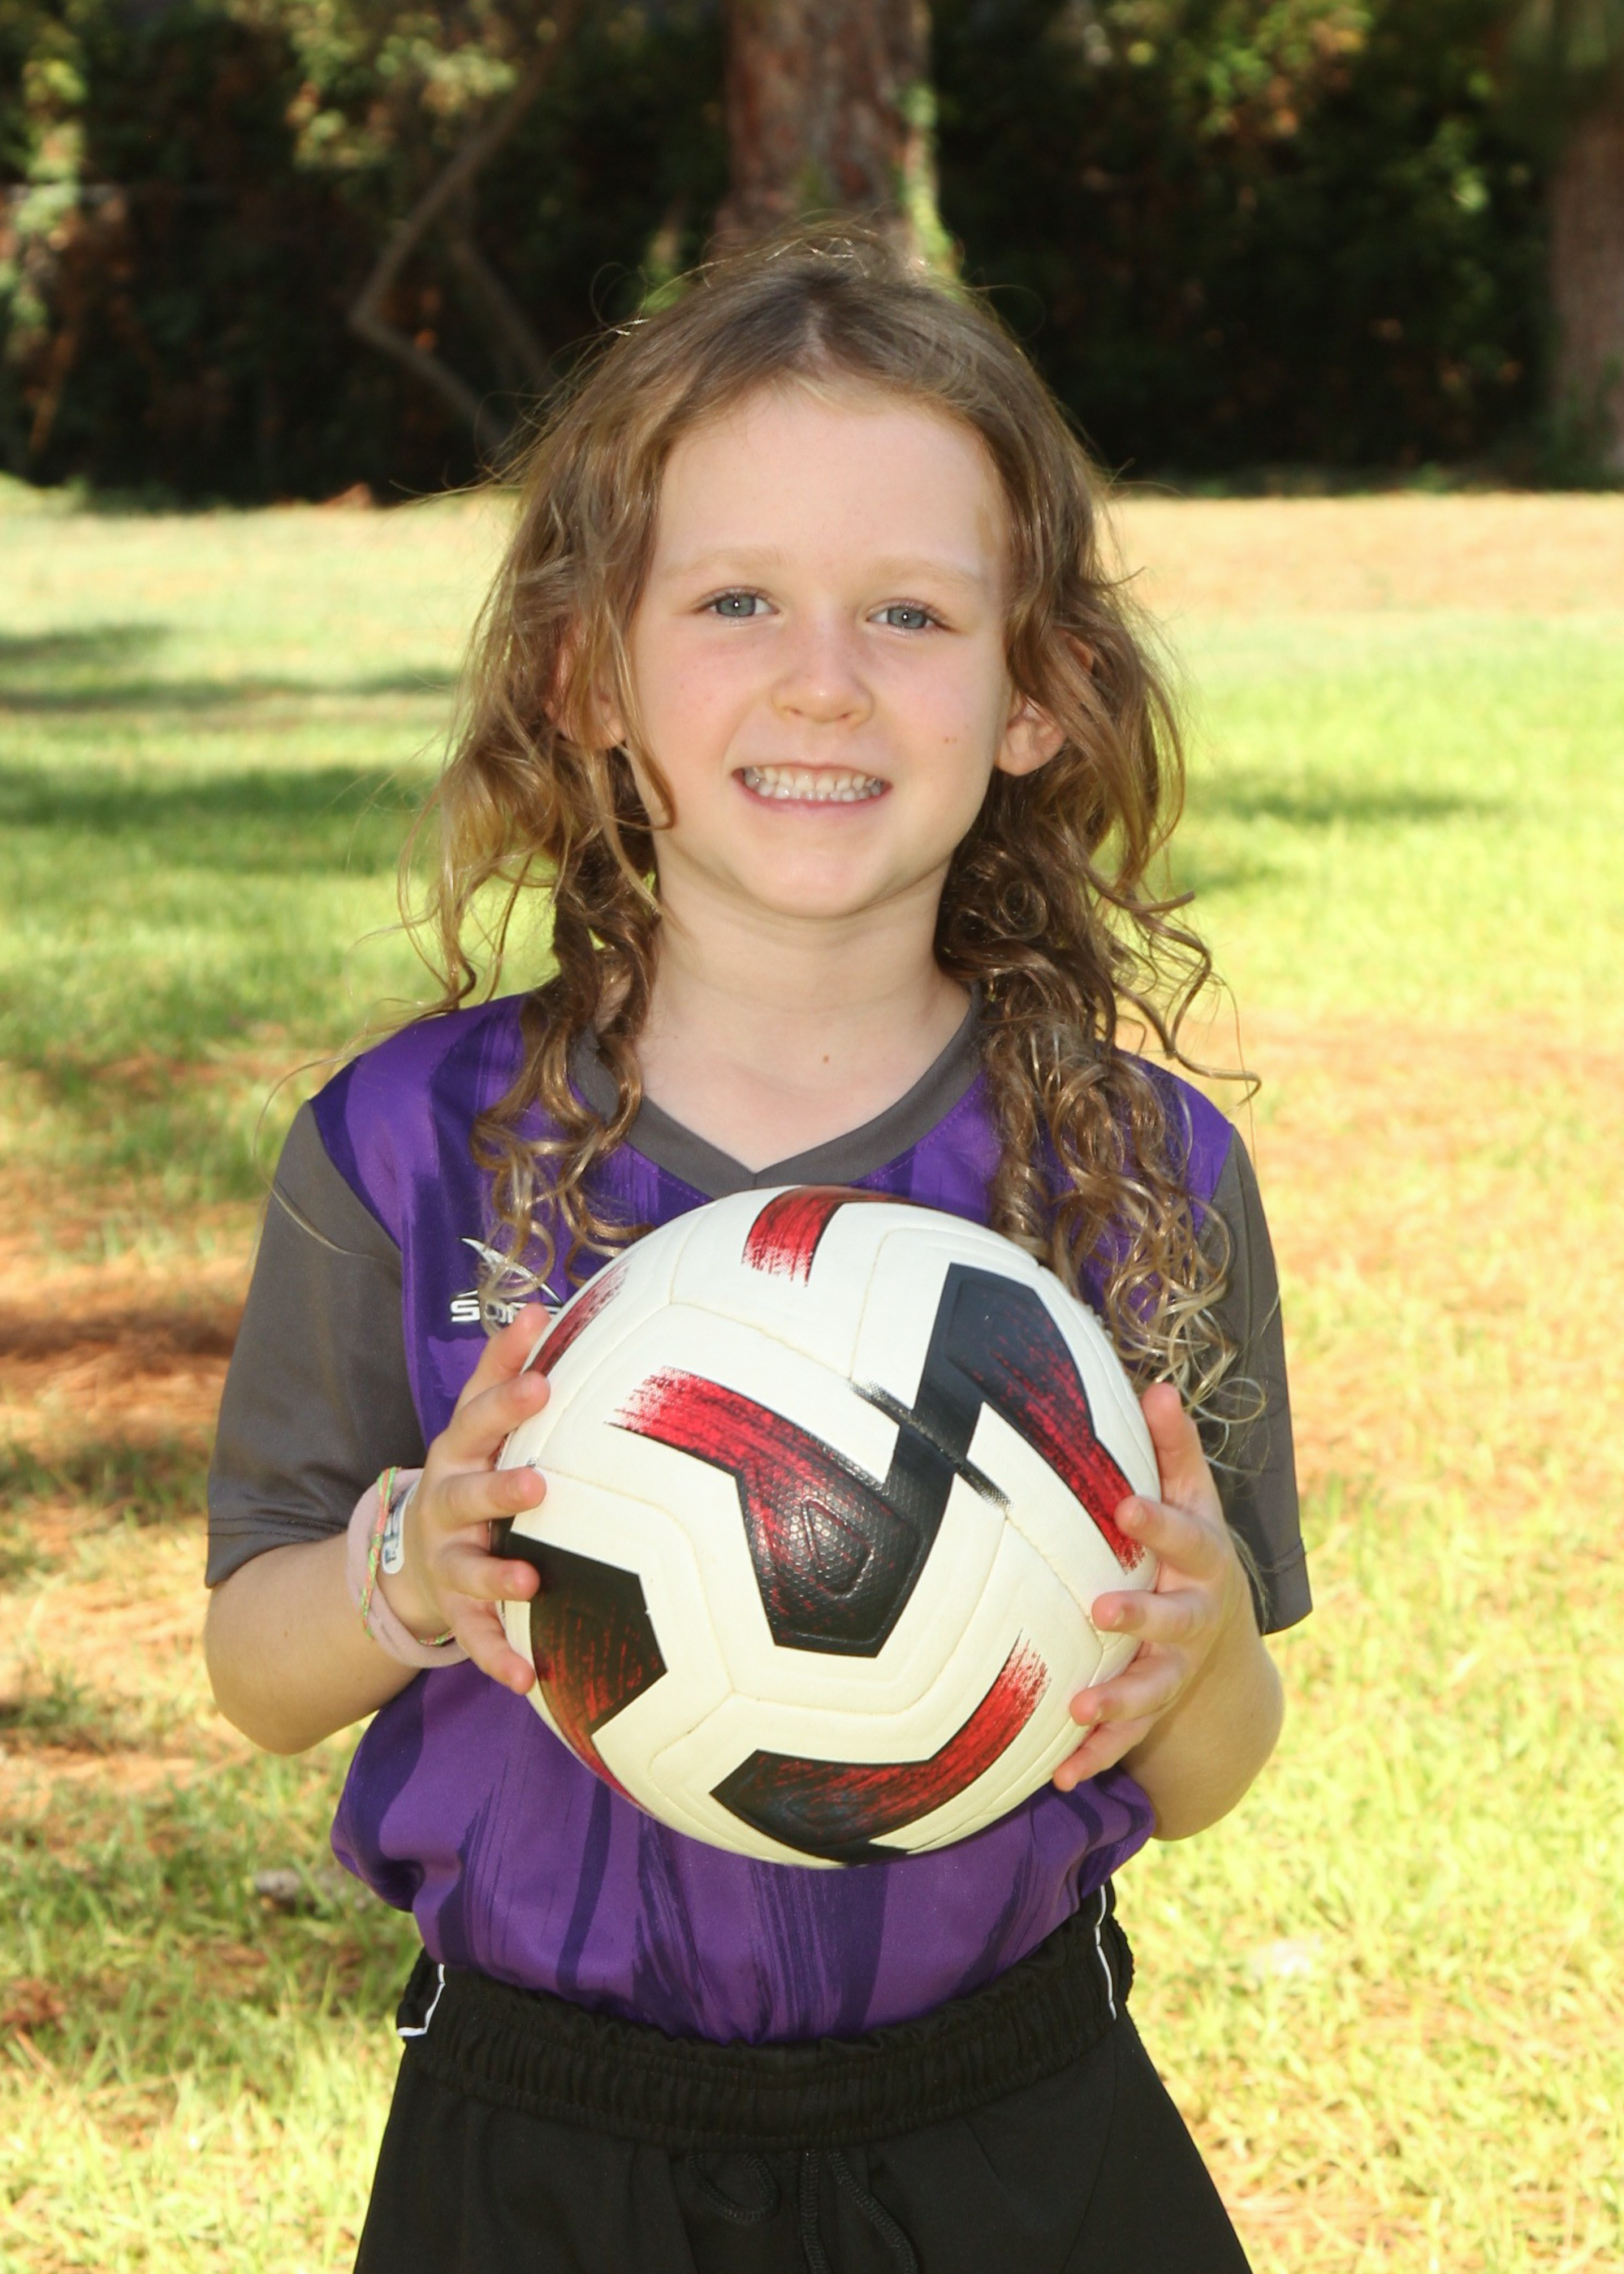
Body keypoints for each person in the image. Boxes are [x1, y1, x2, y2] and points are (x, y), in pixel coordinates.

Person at [204, 227, 1309, 2274]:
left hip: (1014, 2124)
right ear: (587, 673)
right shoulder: (409, 1147)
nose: (823, 678)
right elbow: (255, 1662)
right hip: (539, 2144)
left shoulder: (1136, 1169)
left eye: (910, 610)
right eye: (734, 601)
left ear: (1036, 692)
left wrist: (1205, 1650)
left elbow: (1212, 1764)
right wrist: (409, 1565)